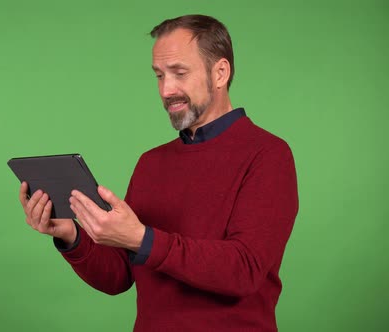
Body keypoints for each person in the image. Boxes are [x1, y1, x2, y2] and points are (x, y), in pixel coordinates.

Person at [18, 14, 298, 332]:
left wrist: (142, 238)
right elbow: (120, 276)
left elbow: (244, 270)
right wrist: (70, 236)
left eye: (179, 73)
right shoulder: (151, 163)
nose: (166, 90)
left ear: (220, 73)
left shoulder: (268, 154)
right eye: (159, 75)